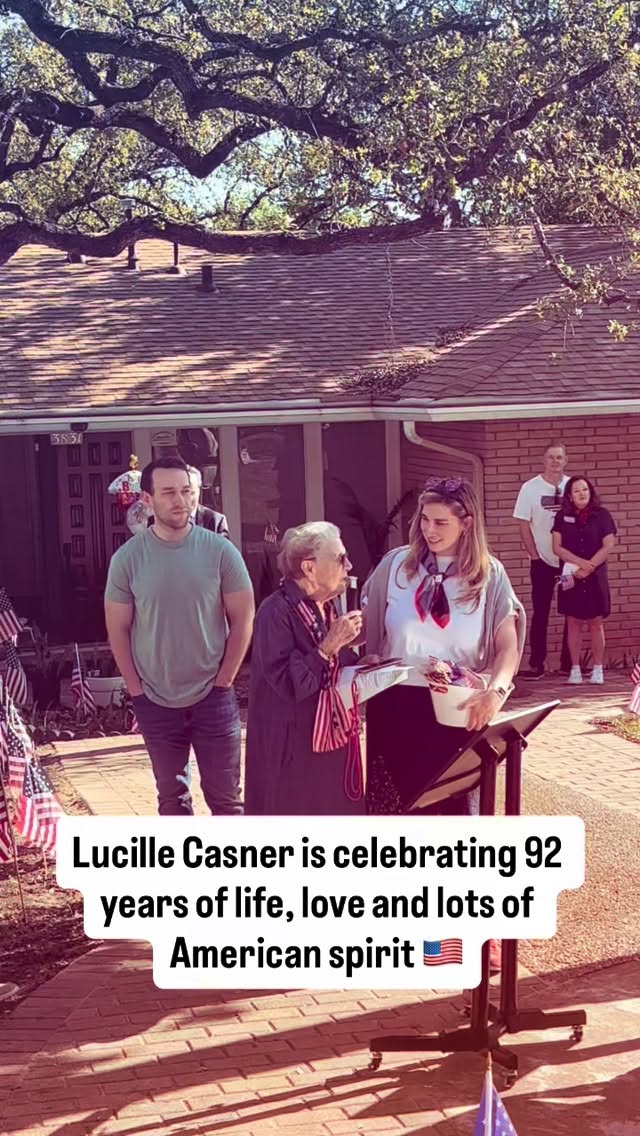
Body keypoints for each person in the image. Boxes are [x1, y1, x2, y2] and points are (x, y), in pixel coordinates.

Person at [361, 477, 525, 818]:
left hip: (459, 707)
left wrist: (495, 692)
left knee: (456, 818)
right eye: (424, 519)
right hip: (394, 706)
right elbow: (364, 629)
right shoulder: (394, 567)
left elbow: (506, 645)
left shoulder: (489, 575)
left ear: (466, 524)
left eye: (440, 522)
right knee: (396, 817)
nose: (428, 530)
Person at [105, 456, 254, 815]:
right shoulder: (127, 560)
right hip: (155, 700)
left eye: (186, 492)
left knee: (227, 802)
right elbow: (118, 630)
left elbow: (244, 618)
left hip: (213, 698)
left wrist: (224, 681)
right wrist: (137, 690)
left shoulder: (220, 552)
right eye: (168, 492)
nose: (180, 501)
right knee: (172, 802)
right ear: (147, 500)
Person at [245, 522, 365, 815]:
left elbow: (335, 666)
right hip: (292, 753)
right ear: (309, 568)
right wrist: (328, 646)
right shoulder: (274, 612)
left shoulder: (325, 605)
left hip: (328, 744)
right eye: (340, 558)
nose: (348, 565)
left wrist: (364, 665)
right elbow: (289, 683)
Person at [513, 442, 571, 678]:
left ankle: (570, 664)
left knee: (572, 612)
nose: (555, 461)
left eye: (559, 457)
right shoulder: (530, 488)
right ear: (543, 460)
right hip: (543, 561)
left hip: (568, 561)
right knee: (541, 611)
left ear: (565, 460)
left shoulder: (572, 486)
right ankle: (537, 663)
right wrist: (534, 556)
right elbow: (523, 524)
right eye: (551, 457)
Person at [552, 476, 617, 685]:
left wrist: (590, 566)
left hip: (595, 574)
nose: (582, 493)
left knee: (596, 623)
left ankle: (598, 669)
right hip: (571, 573)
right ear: (569, 496)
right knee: (573, 622)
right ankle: (575, 669)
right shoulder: (562, 516)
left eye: (585, 490)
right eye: (577, 490)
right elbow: (557, 547)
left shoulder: (602, 515)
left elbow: (608, 545)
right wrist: (579, 563)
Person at [148, 465, 229, 536]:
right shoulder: (156, 520)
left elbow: (222, 553)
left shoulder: (216, 521)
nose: (184, 499)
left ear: (199, 491)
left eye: (188, 492)